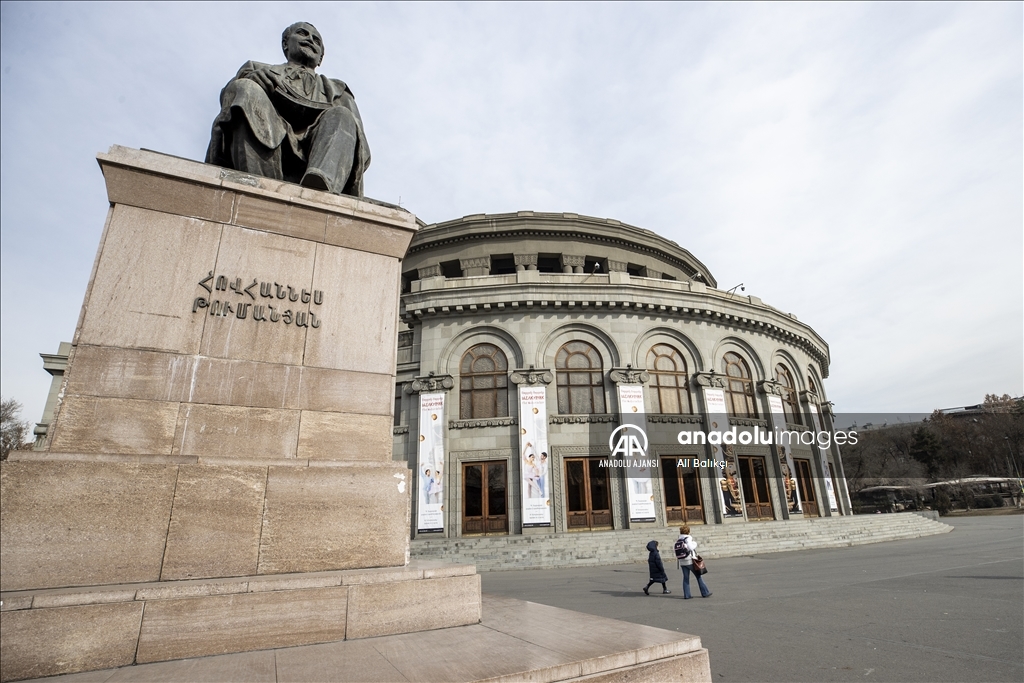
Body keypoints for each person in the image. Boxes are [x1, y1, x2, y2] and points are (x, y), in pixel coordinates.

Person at [206, 22, 371, 196]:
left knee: (343, 114)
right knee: (245, 88)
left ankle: (320, 185)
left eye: (316, 40)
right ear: (286, 43)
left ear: (321, 58)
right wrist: (253, 80)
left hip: (316, 147)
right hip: (270, 134)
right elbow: (228, 103)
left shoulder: (338, 90)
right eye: (303, 33)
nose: (310, 40)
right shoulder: (256, 69)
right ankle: (259, 187)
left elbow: (359, 144)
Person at [675, 525, 711, 599]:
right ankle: (705, 592)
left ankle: (687, 595)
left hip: (682, 561)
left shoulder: (679, 539)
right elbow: (691, 547)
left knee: (685, 578)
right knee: (698, 576)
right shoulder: (688, 538)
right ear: (688, 531)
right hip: (689, 560)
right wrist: (695, 543)